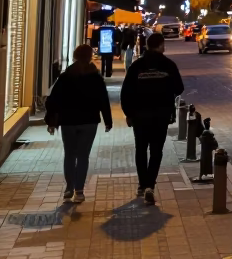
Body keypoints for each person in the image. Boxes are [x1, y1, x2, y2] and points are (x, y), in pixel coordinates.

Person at [121, 33, 184, 205]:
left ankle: (143, 184)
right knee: (156, 151)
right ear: (161, 45)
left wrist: (128, 113)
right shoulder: (168, 65)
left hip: (139, 115)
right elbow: (179, 88)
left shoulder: (137, 66)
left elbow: (126, 91)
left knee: (141, 149)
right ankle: (150, 185)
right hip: (161, 115)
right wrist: (165, 89)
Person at [44, 44, 112, 204]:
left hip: (68, 121)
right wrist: (108, 121)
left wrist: (51, 120)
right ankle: (79, 190)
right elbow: (103, 100)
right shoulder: (95, 77)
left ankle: (69, 187)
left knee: (69, 154)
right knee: (83, 156)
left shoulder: (66, 76)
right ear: (90, 57)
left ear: (75, 56)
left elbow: (53, 99)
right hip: (89, 121)